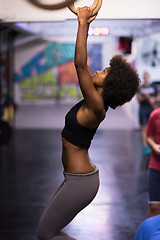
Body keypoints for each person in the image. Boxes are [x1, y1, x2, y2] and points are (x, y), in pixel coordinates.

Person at [37, 7, 140, 240]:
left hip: (80, 182)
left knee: (45, 234)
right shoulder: (94, 102)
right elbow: (84, 65)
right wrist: (87, 23)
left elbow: (80, 64)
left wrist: (82, 23)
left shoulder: (96, 106)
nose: (98, 70)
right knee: (47, 232)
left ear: (110, 86)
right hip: (77, 178)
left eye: (104, 72)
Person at [137, 72, 156, 155]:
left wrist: (154, 99)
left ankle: (152, 145)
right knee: (143, 128)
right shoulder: (140, 88)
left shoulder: (153, 87)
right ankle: (145, 147)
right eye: (144, 77)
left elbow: (158, 96)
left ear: (149, 77)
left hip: (151, 109)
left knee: (153, 128)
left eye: (146, 77)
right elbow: (139, 99)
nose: (145, 78)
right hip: (143, 110)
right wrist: (145, 95)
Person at [146, 107, 160, 218]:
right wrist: (154, 146)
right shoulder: (155, 115)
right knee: (154, 207)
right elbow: (149, 137)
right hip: (156, 166)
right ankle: (149, 235)